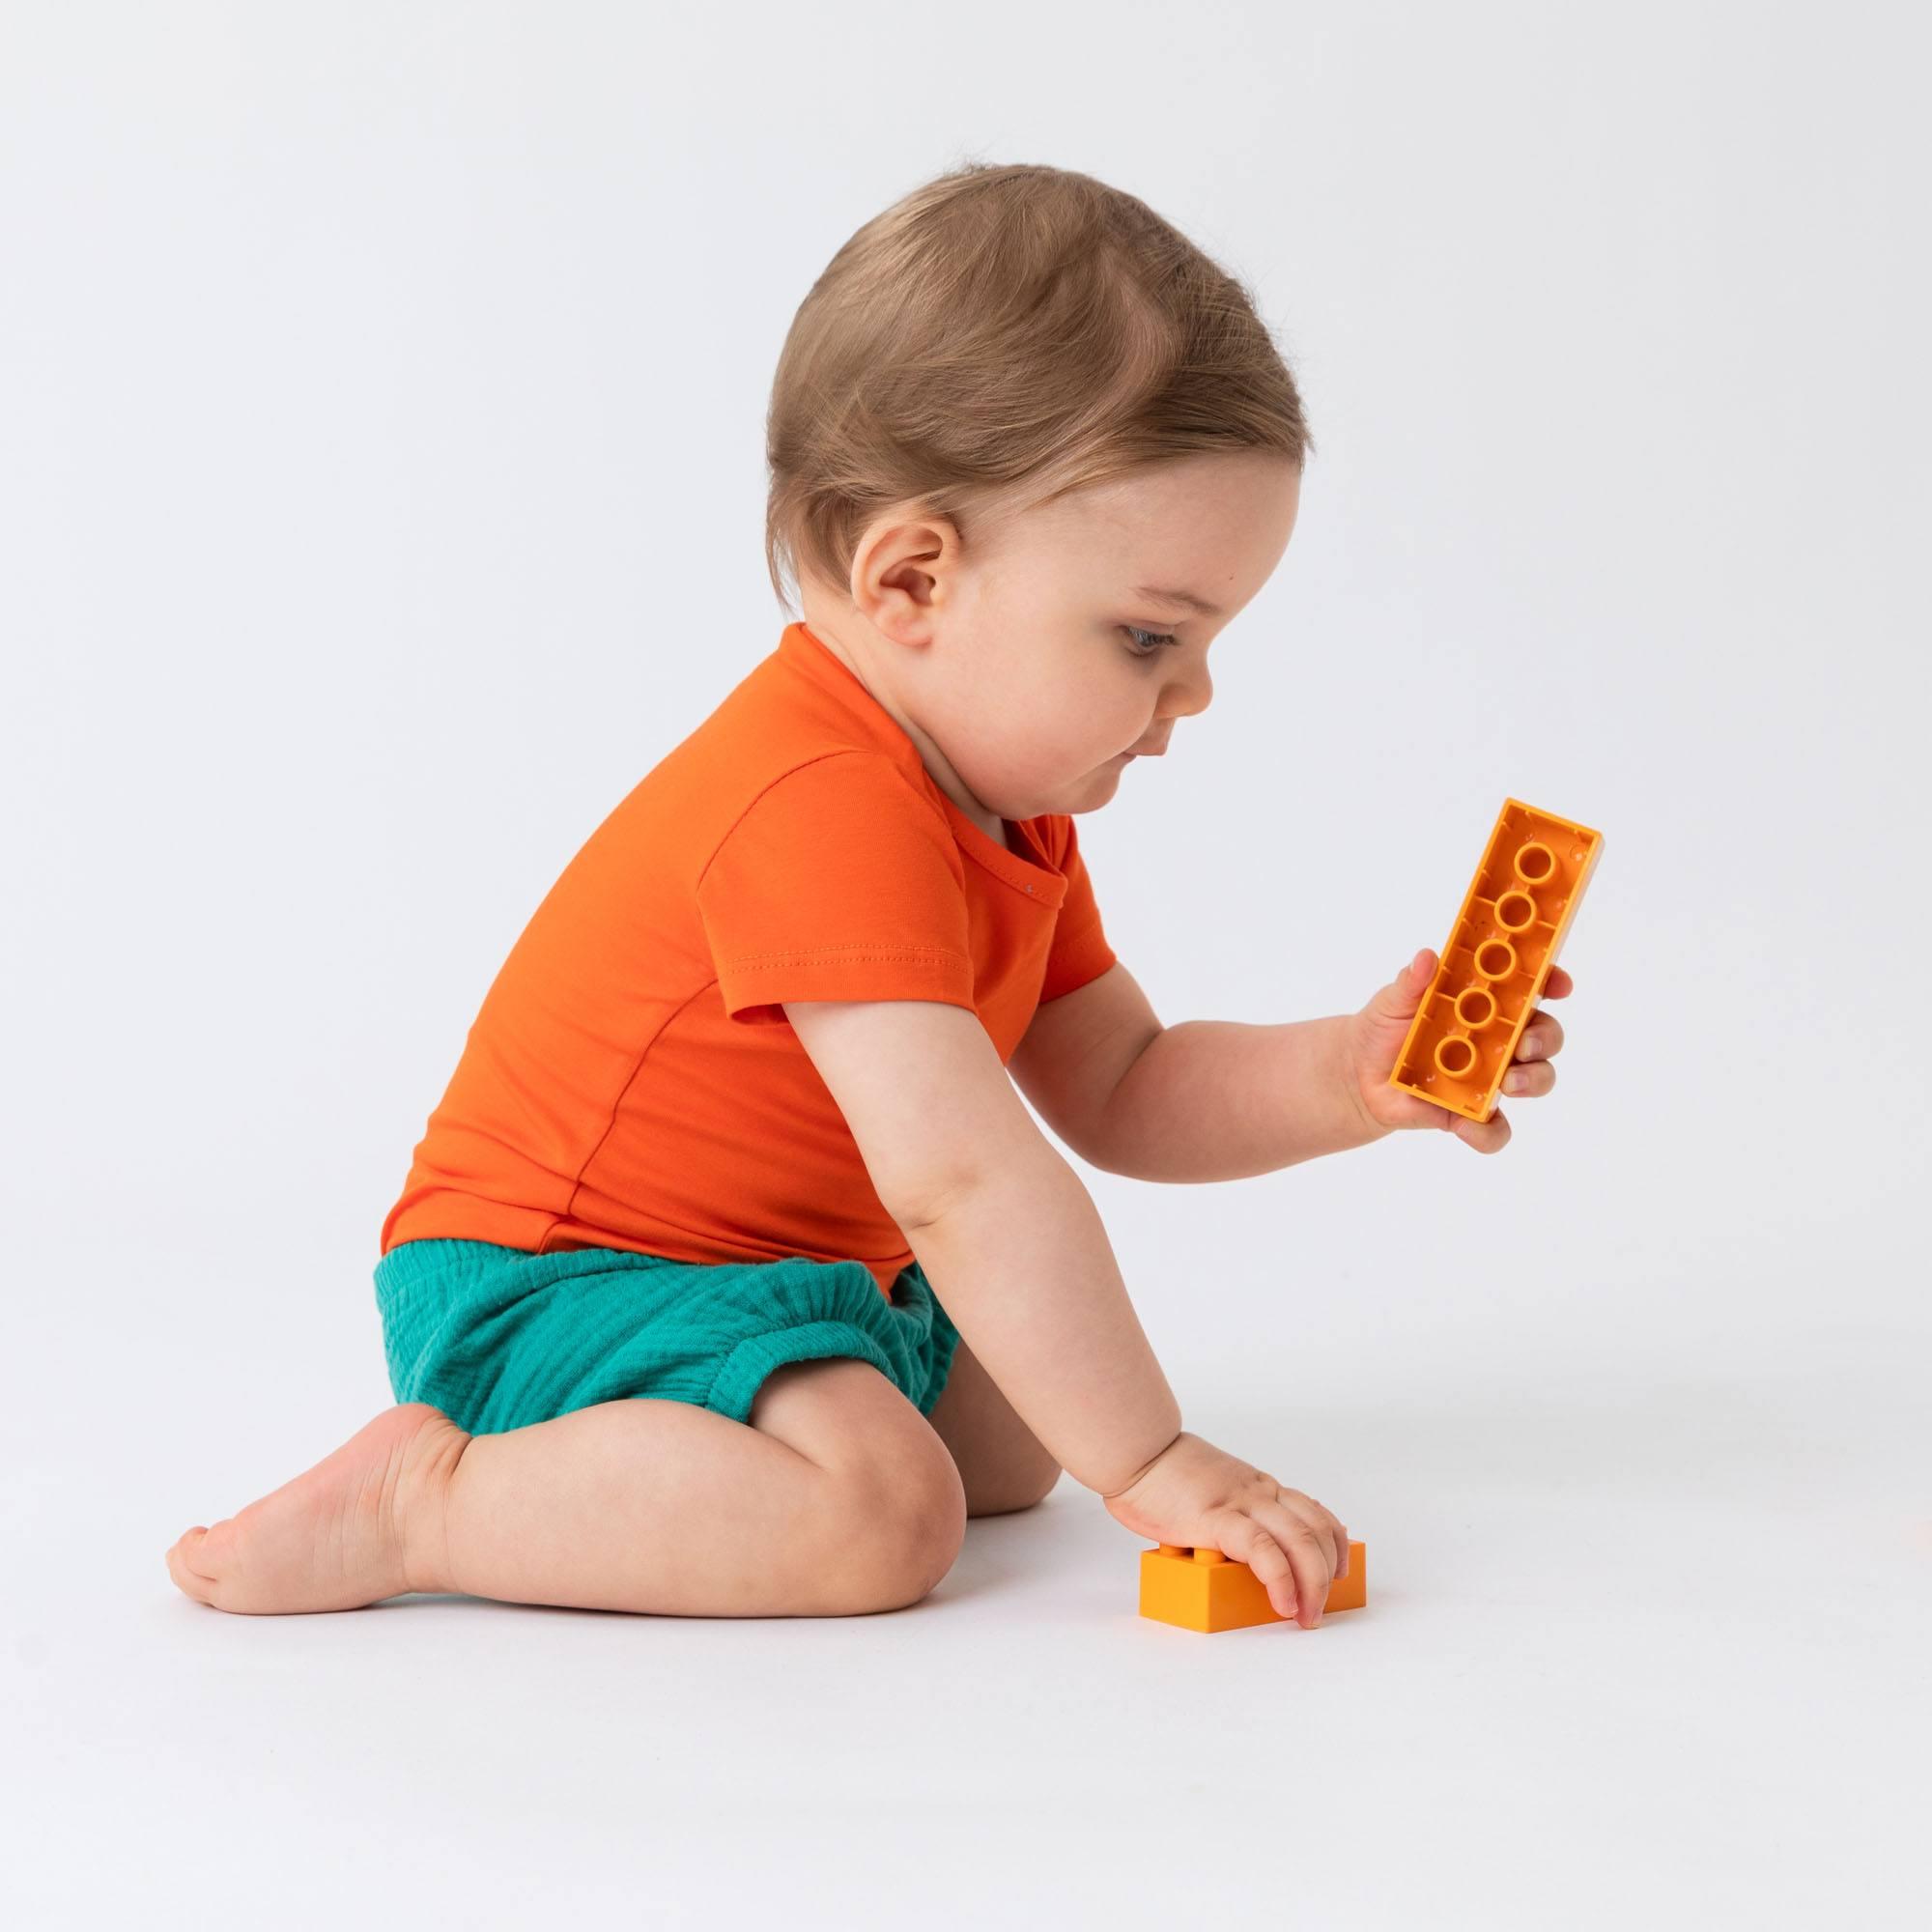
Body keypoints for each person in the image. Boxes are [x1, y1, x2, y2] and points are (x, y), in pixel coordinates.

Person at [164, 160, 1571, 1625]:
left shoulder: (1005, 818)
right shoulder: (814, 805)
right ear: (911, 580)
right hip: (556, 1288)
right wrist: (1153, 1460)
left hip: (782, 1280)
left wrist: (1350, 1078)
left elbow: (1127, 1086)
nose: (1195, 693)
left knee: (1018, 1443)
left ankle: (697, 1454)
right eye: (1150, 638)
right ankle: (428, 1503)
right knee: (884, 1517)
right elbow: (961, 1178)